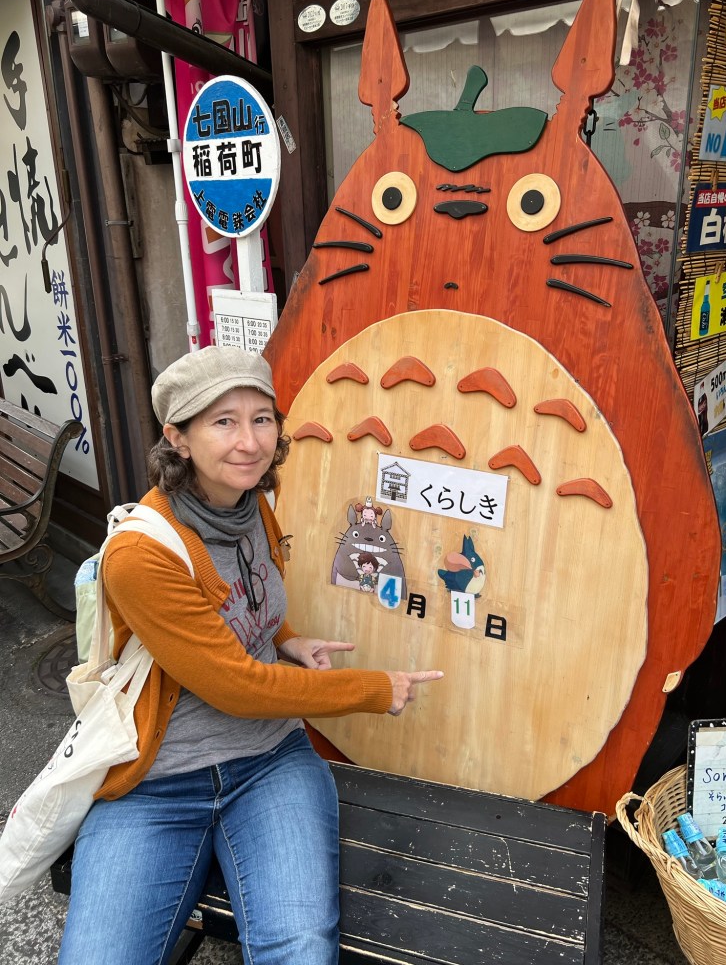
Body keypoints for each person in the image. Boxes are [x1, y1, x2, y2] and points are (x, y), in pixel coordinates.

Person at [58, 345, 443, 965]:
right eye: (223, 422)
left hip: (270, 763)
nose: (250, 442)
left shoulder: (250, 502)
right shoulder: (141, 555)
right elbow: (236, 686)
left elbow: (246, 599)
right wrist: (374, 689)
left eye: (262, 419)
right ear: (177, 438)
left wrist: (285, 638)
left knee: (300, 949)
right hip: (156, 785)